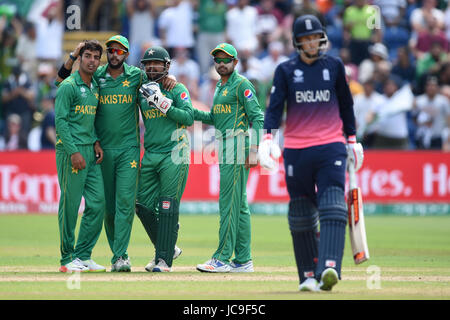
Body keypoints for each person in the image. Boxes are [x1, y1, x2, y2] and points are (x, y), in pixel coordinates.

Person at [260, 15, 363, 291]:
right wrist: (268, 138)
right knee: (301, 213)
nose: (311, 42)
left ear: (322, 38)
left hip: (330, 146)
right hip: (296, 149)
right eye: (306, 38)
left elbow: (346, 104)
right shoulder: (285, 70)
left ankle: (329, 267)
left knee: (332, 205)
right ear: (297, 42)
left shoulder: (335, 66)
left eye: (315, 37)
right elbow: (274, 108)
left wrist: (352, 139)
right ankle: (308, 275)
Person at [194, 43, 264, 273]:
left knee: (228, 203)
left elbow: (258, 117)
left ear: (235, 62)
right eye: (218, 60)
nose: (221, 63)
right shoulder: (220, 87)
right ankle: (243, 260)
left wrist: (254, 149)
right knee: (239, 204)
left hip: (238, 144)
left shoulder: (241, 84)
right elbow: (214, 117)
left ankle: (222, 258)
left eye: (226, 59)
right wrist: (186, 108)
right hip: (225, 145)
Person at [136, 46, 193, 272]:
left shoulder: (176, 88)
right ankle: (168, 246)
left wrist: (163, 103)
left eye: (156, 63)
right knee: (141, 205)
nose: (151, 67)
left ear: (166, 66)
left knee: (167, 205)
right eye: (148, 64)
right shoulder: (140, 89)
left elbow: (188, 117)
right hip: (150, 153)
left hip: (174, 152)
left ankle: (163, 260)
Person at [54, 40, 106, 273]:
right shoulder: (68, 86)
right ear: (81, 58)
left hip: (89, 149)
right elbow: (61, 122)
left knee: (98, 203)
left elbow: (89, 119)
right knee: (71, 204)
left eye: (96, 57)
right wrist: (73, 151)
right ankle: (67, 259)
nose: (92, 60)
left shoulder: (95, 85)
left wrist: (95, 140)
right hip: (70, 150)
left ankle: (83, 255)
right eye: (88, 56)